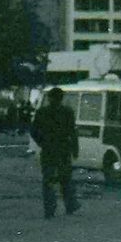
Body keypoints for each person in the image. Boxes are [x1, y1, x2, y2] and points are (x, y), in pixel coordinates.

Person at [31, 87, 80, 219]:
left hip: (48, 150)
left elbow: (34, 131)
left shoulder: (42, 112)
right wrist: (75, 149)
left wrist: (43, 143)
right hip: (63, 149)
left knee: (48, 180)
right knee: (66, 178)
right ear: (61, 99)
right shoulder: (67, 112)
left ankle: (49, 209)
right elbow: (72, 132)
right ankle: (70, 205)